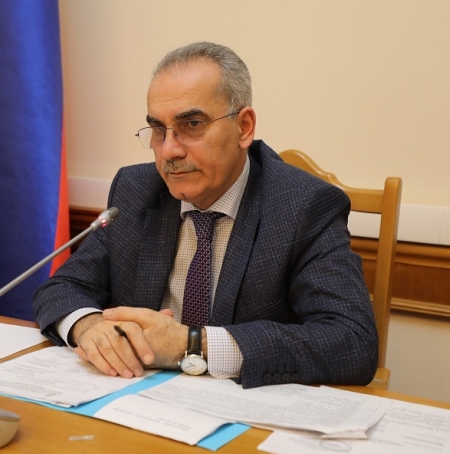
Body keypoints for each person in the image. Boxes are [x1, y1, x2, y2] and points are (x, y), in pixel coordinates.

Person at [33, 42, 378, 389]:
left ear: (244, 127)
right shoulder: (135, 190)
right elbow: (63, 288)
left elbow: (352, 341)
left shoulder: (303, 205)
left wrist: (191, 344)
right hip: (135, 397)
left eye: (192, 124)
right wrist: (89, 326)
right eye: (158, 129)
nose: (170, 150)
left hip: (241, 407)